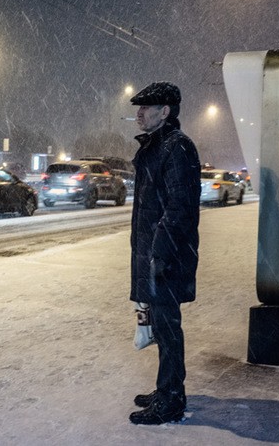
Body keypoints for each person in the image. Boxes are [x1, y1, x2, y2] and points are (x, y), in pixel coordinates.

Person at [128, 81, 201, 425]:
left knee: (169, 330)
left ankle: (171, 399)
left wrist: (159, 255)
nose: (139, 114)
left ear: (166, 112)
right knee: (161, 326)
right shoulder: (158, 147)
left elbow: (179, 209)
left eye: (146, 108)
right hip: (155, 256)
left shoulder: (177, 148)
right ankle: (166, 388)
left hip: (166, 258)